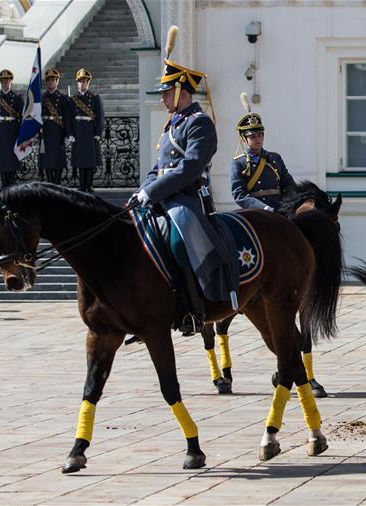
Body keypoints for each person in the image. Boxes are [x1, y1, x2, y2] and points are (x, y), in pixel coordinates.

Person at [133, 25, 234, 336]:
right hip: (164, 196)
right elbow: (159, 168)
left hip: (187, 199)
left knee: (178, 242)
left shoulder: (200, 125)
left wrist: (154, 192)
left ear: (180, 91)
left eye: (165, 93)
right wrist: (142, 191)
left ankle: (193, 309)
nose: (163, 100)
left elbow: (189, 169)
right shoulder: (170, 127)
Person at [230, 94, 294, 211]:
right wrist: (264, 208)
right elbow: (239, 195)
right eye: (252, 137)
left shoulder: (275, 158)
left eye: (260, 135)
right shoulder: (239, 163)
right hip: (257, 212)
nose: (257, 139)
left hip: (280, 209)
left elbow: (289, 185)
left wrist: (286, 205)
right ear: (244, 140)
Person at [68, 68, 105, 192]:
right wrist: (70, 133)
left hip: (89, 131)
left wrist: (98, 133)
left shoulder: (94, 98)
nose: (82, 84)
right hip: (78, 131)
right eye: (80, 81)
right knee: (80, 160)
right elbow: (69, 118)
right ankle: (82, 184)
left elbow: (100, 116)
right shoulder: (73, 99)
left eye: (84, 81)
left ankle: (89, 184)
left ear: (88, 83)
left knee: (90, 161)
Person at [0, 69, 24, 190]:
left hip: (13, 133)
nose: (5, 83)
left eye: (7, 81)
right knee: (3, 162)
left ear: (11, 82)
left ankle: (12, 187)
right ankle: (4, 187)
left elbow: (22, 117)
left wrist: (22, 134)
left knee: (12, 161)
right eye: (3, 81)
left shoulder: (17, 98)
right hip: (0, 132)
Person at [41, 68, 72, 185]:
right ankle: (49, 183)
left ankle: (57, 183)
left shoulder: (63, 98)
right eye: (48, 80)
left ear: (57, 81)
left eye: (53, 80)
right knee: (47, 160)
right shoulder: (42, 98)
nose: (50, 82)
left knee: (58, 159)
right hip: (46, 131)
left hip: (58, 131)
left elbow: (67, 117)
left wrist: (68, 133)